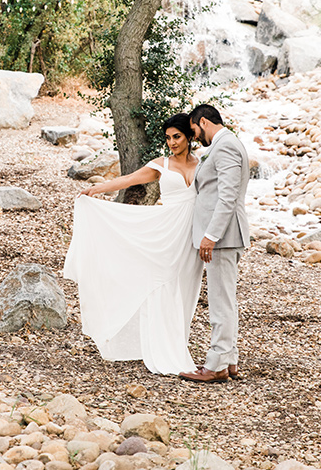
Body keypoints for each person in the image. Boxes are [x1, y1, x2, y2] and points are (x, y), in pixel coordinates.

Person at [63, 113, 203, 375]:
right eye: (168, 138)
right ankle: (164, 350)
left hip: (192, 237)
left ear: (190, 137)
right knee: (163, 284)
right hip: (166, 232)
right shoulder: (162, 164)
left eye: (177, 137)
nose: (172, 142)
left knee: (186, 290)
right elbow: (128, 180)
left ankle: (177, 343)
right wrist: (96, 189)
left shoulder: (203, 165)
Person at [179, 103, 250, 384]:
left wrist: (211, 235)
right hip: (225, 236)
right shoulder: (224, 146)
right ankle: (228, 360)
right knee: (224, 299)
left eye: (194, 130)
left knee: (220, 302)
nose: (194, 136)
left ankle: (216, 364)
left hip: (224, 236)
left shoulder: (226, 146)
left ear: (204, 122)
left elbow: (228, 195)